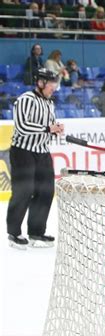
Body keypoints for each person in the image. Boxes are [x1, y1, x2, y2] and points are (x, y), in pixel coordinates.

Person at [6, 68, 64, 249]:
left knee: (46, 191)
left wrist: (56, 130)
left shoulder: (49, 103)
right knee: (24, 191)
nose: (54, 87)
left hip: (42, 151)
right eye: (51, 83)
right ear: (40, 83)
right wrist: (48, 129)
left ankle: (36, 233)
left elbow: (49, 126)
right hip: (23, 151)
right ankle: (14, 234)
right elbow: (22, 126)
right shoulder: (25, 99)